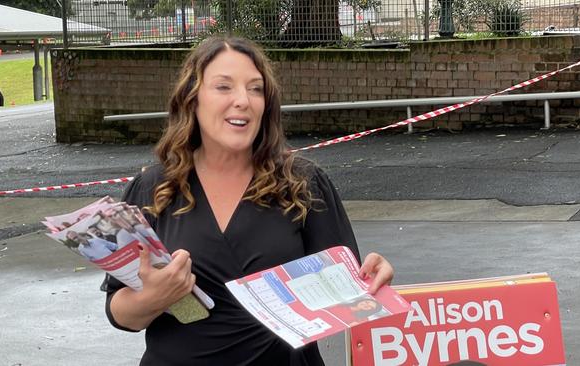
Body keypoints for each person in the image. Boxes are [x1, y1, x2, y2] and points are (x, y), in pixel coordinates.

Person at [102, 36, 395, 365]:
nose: (243, 100)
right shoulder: (153, 188)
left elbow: (347, 297)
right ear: (192, 98)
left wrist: (372, 279)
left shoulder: (304, 183)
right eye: (224, 87)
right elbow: (121, 313)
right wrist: (152, 299)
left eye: (256, 89)